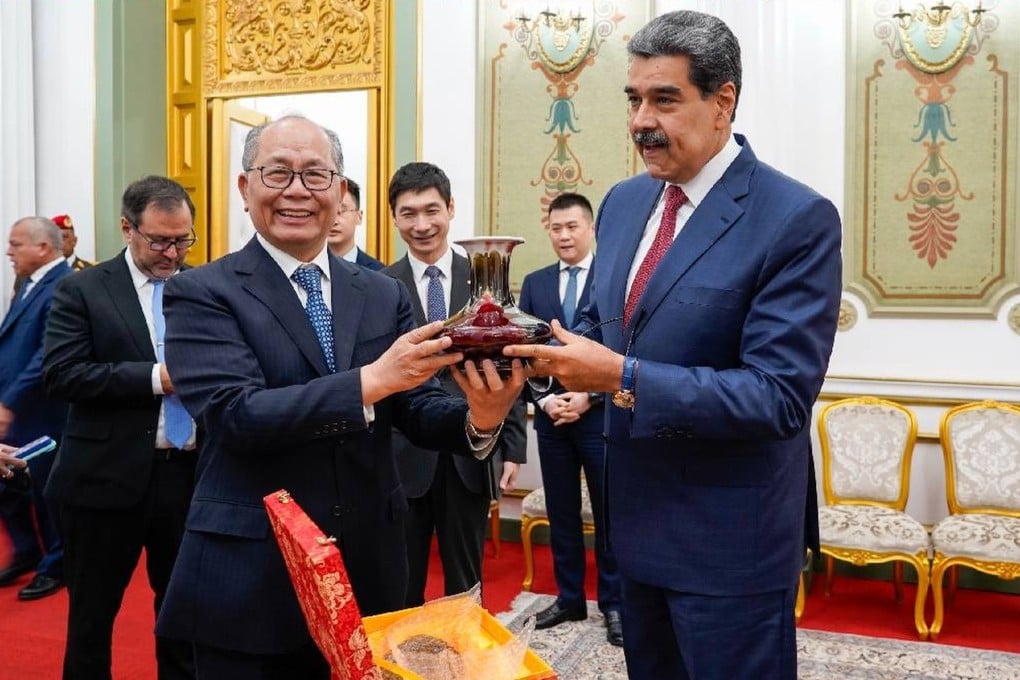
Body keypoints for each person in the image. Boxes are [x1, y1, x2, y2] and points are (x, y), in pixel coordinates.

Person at [504, 11, 842, 679]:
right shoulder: (626, 203)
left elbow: (776, 398)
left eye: (664, 98)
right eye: (633, 98)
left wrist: (618, 376)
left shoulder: (795, 218)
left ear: (723, 102)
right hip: (632, 535)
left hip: (730, 547)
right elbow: (608, 328)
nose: (639, 120)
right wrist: (547, 363)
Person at [153, 115, 523, 678]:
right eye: (278, 173)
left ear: (340, 189)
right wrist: (370, 380)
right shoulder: (203, 291)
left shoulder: (379, 291)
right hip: (253, 569)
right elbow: (235, 416)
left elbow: (414, 408)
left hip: (371, 565)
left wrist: (482, 415)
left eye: (315, 174)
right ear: (245, 187)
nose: (297, 190)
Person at [43, 176, 199, 679]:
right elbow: (63, 374)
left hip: (186, 475)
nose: (171, 253)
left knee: (182, 617)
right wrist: (158, 378)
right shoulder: (82, 289)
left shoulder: (202, 287)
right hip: (103, 479)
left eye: (183, 240)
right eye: (159, 240)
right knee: (92, 618)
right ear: (126, 228)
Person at [383, 162, 527, 606]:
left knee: (466, 583)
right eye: (408, 213)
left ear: (450, 208)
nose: (421, 225)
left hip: (472, 447)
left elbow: (510, 362)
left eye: (431, 210)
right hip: (402, 455)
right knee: (400, 580)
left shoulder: (488, 280)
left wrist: (512, 446)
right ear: (393, 217)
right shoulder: (379, 287)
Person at [517, 192, 622, 646]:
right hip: (551, 420)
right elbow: (522, 353)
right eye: (556, 228)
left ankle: (615, 605)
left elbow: (622, 350)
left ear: (590, 227)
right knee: (561, 513)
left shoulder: (614, 278)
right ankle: (569, 597)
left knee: (609, 516)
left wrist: (587, 397)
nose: (563, 235)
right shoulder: (535, 283)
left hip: (599, 419)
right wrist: (543, 402)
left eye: (572, 226)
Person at [0, 217, 69, 601]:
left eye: (15, 244)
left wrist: (9, 402)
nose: (9, 252)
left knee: (46, 491)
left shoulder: (63, 284)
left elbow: (47, 354)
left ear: (42, 247)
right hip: (15, 409)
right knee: (8, 488)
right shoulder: (28, 282)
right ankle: (27, 552)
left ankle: (56, 564)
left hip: (42, 413)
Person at [326, 177, 384, 269]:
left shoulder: (380, 272)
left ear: (359, 217)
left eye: (341, 211)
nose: (334, 222)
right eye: (328, 211)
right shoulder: (304, 269)